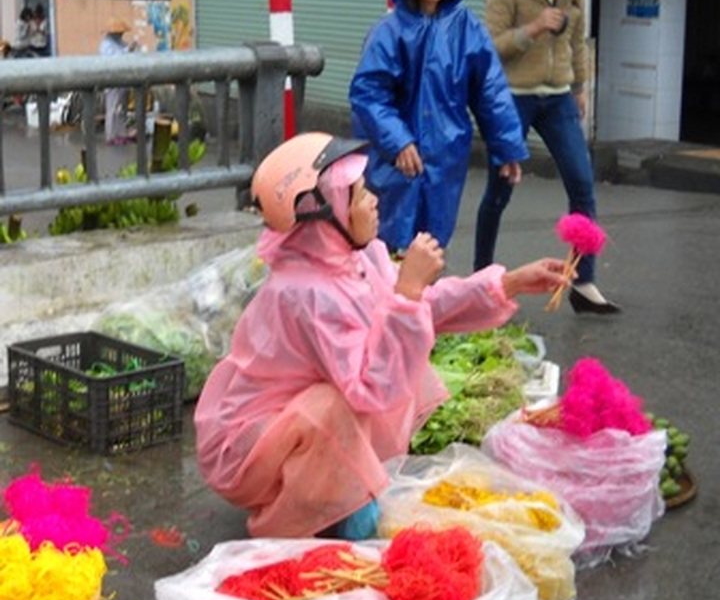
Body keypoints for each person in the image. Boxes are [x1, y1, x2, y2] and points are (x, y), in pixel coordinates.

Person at [194, 132, 570, 540]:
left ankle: (337, 496)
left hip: (282, 427)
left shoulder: (355, 256)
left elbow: (427, 307)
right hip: (245, 448)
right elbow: (369, 388)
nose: (373, 199)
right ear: (323, 213)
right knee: (336, 404)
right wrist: (407, 293)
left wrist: (509, 283)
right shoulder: (306, 292)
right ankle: (287, 522)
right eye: (357, 194)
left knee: (399, 344)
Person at [473, 0, 620, 314]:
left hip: (557, 97)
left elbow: (577, 37)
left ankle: (584, 281)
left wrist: (579, 85)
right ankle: (481, 280)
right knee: (498, 192)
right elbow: (492, 44)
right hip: (514, 96)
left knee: (582, 185)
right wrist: (535, 27)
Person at [349, 0, 527, 255]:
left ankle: (423, 304)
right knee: (386, 245)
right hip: (394, 161)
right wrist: (398, 140)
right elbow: (369, 92)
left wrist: (507, 147)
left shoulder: (467, 29)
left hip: (446, 157)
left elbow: (490, 90)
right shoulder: (388, 33)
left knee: (432, 245)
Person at [99, 17, 135, 146]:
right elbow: (114, 59)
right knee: (113, 109)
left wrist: (130, 49)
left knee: (121, 109)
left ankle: (121, 133)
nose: (121, 35)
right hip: (112, 80)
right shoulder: (106, 45)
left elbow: (126, 53)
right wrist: (127, 50)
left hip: (123, 79)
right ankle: (111, 135)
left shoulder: (120, 42)